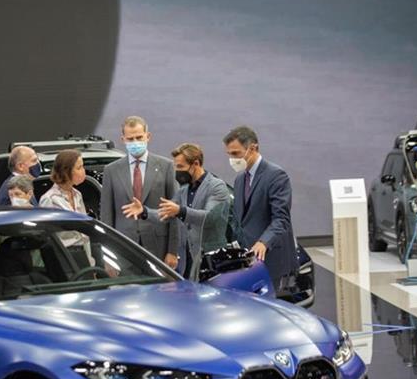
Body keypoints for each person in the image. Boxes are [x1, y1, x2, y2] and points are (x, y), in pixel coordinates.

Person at [121, 143, 230, 280]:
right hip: (188, 260)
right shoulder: (183, 190)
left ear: (196, 164)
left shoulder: (217, 186)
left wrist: (180, 211)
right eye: (175, 167)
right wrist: (144, 211)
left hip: (212, 260)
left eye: (180, 167)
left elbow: (210, 218)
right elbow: (166, 213)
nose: (177, 171)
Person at [223, 125, 298, 290]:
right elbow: (240, 220)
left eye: (235, 153)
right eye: (229, 154)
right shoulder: (239, 179)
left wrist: (264, 242)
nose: (232, 159)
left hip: (271, 259)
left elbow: (281, 219)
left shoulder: (276, 175)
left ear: (252, 148)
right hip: (248, 262)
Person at [100, 116, 179, 269]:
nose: (135, 142)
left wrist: (173, 251)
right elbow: (106, 216)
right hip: (124, 248)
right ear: (123, 139)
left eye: (139, 137)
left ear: (148, 136)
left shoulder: (166, 166)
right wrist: (108, 256)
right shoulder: (111, 170)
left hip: (158, 247)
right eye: (130, 139)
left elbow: (174, 212)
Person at [39, 149, 94, 267]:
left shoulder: (77, 195)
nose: (83, 171)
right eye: (79, 168)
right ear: (66, 171)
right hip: (63, 257)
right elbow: (47, 236)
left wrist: (90, 262)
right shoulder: (50, 199)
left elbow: (84, 232)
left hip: (82, 254)